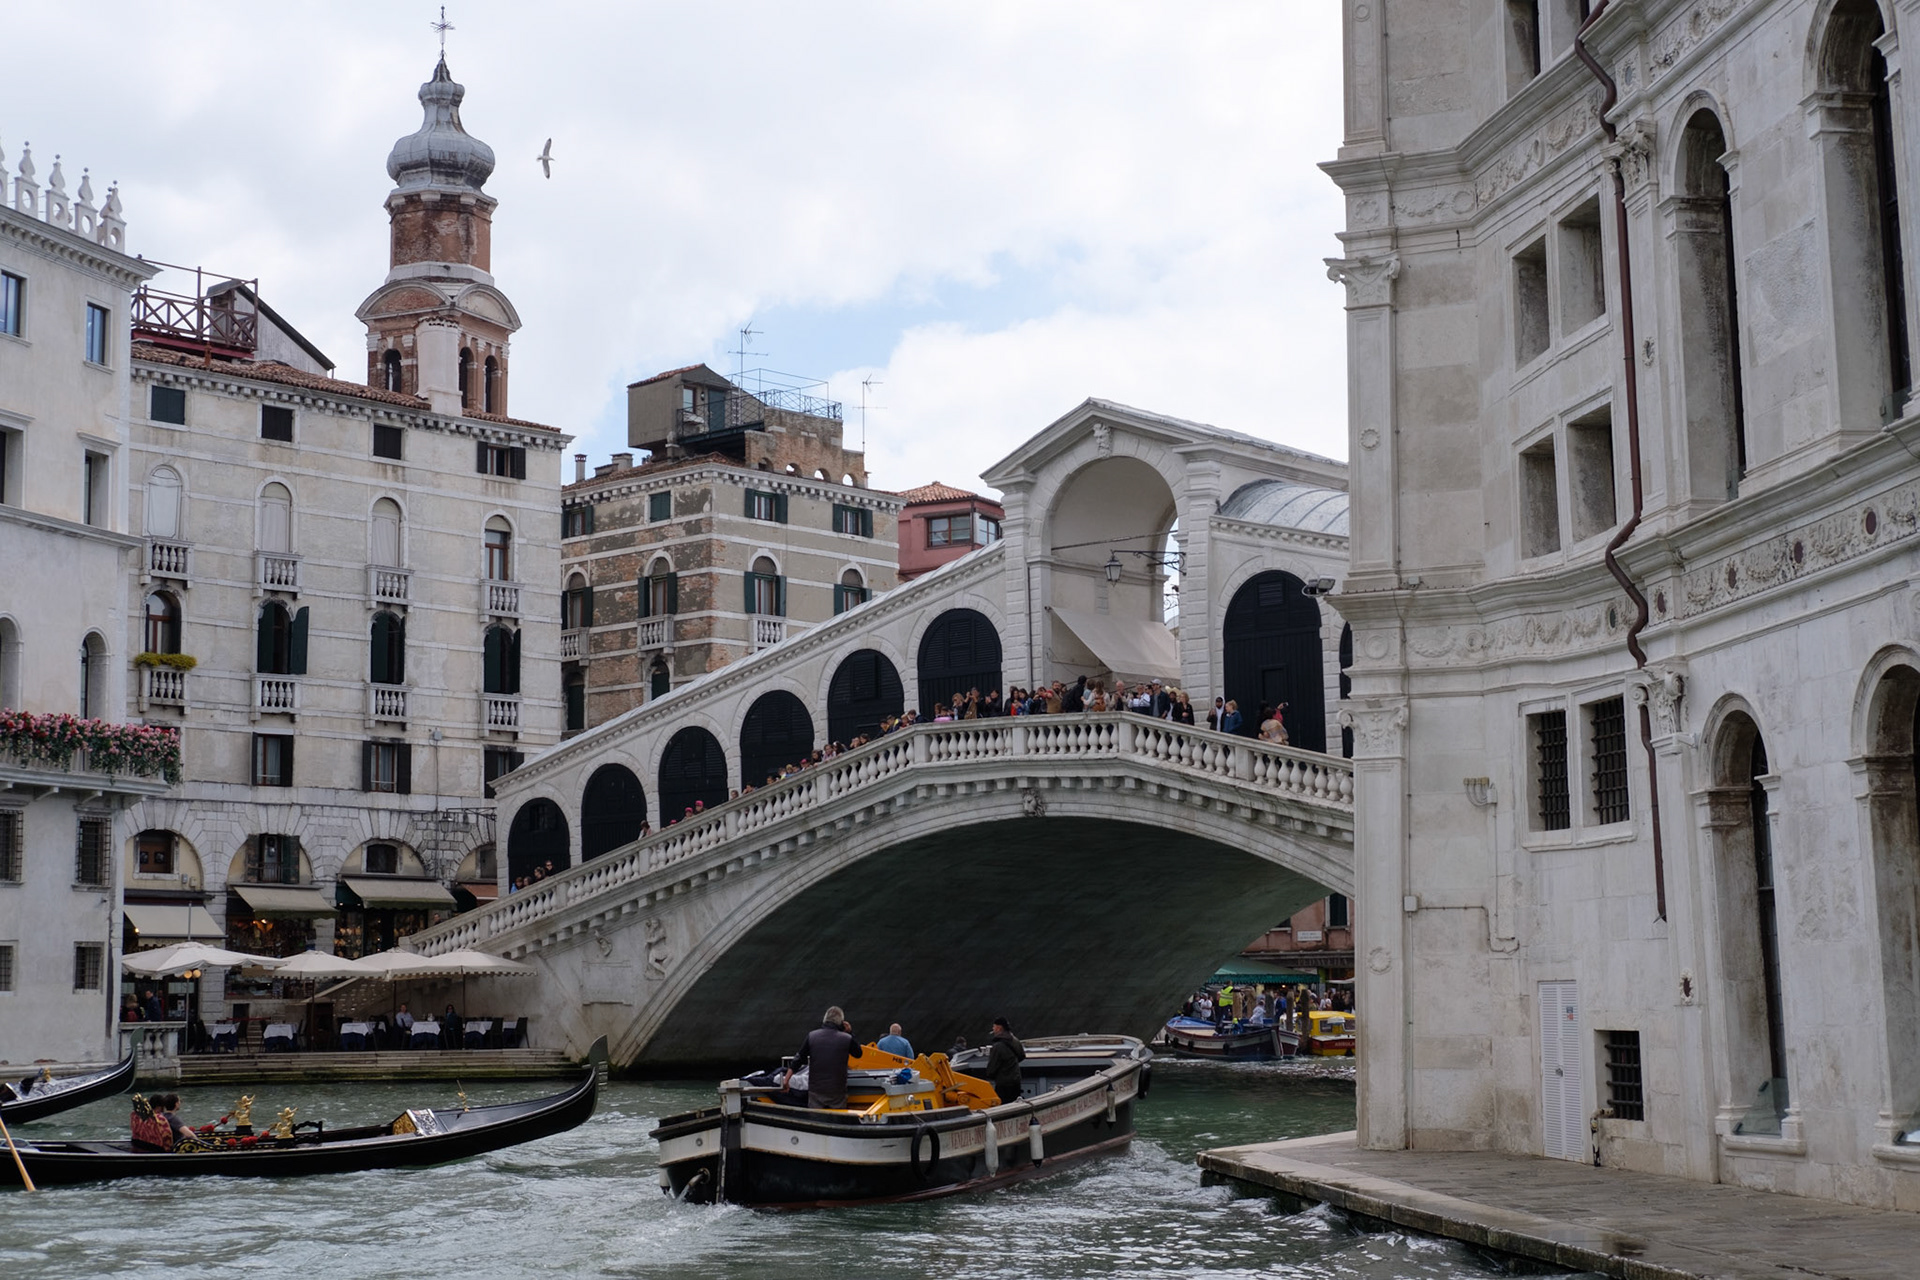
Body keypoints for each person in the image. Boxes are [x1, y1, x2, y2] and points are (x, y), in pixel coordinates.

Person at [782, 1005, 864, 1109]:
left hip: (816, 1090)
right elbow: (858, 1054)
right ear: (841, 1023)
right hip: (837, 1091)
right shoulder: (846, 1038)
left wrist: (786, 1080)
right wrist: (851, 1033)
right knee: (836, 1119)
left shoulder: (812, 1036)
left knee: (815, 1119)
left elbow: (798, 1059)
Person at [984, 1017, 1025, 1104]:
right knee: (1016, 1104)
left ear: (999, 1028)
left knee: (1004, 1105)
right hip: (1016, 1081)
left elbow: (992, 1067)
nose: (993, 1029)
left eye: (994, 1027)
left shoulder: (997, 1046)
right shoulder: (1016, 1041)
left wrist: (989, 1075)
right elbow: (1022, 1056)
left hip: (1003, 1084)